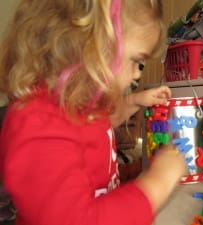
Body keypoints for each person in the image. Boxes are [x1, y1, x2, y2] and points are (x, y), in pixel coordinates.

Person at [0, 0, 187, 225]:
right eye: (137, 61)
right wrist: (158, 179)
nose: (137, 75)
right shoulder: (38, 125)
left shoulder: (75, 103)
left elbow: (100, 127)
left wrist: (134, 101)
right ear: (90, 46)